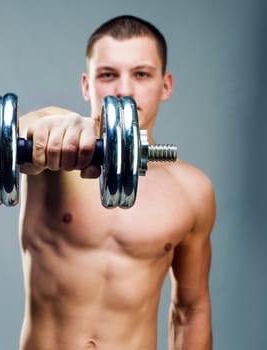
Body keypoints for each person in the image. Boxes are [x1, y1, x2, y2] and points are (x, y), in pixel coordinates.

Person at [18, 15, 216, 350]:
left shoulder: (192, 191)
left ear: (165, 85)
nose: (124, 91)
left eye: (141, 74)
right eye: (107, 75)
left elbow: (190, 310)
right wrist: (46, 132)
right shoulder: (54, 153)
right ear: (86, 85)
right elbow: (25, 130)